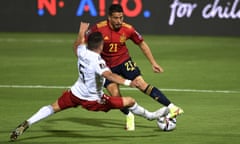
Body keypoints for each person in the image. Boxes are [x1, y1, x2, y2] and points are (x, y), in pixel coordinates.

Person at [10, 22, 169, 142]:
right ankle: (151, 116)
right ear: (100, 45)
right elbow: (110, 75)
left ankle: (28, 122)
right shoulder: (97, 61)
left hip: (75, 93)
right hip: (93, 100)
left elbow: (77, 45)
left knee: (52, 107)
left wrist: (81, 31)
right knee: (130, 101)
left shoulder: (82, 51)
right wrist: (128, 83)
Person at [86, 4, 184, 130]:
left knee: (141, 84)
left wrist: (153, 63)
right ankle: (129, 115)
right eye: (116, 18)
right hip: (106, 67)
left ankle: (173, 108)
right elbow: (84, 40)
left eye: (121, 17)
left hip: (124, 61)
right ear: (109, 17)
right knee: (116, 96)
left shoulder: (128, 29)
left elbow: (142, 44)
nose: (119, 21)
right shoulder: (98, 28)